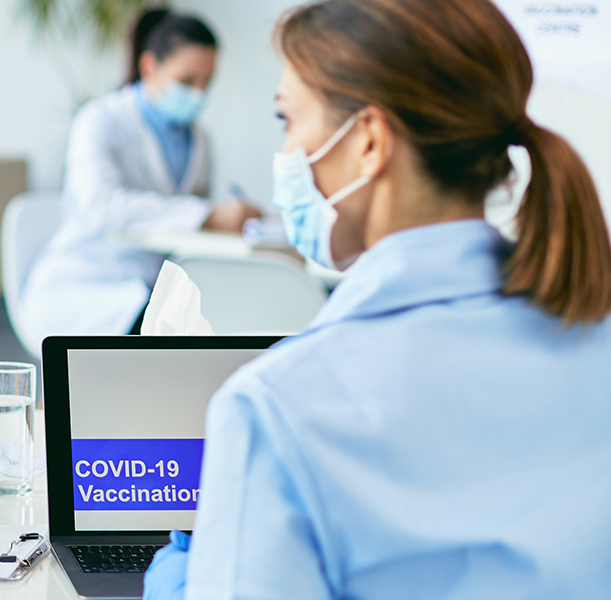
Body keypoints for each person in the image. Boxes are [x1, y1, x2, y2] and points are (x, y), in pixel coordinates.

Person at [142, 0, 611, 597]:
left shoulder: (279, 409)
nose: (285, 155)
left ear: (368, 141)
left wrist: (184, 556)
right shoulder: (594, 337)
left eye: (287, 120)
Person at [15, 9, 259, 354]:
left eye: (208, 82)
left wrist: (229, 220)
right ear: (150, 68)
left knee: (221, 321)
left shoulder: (200, 141)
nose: (199, 94)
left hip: (152, 286)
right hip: (88, 283)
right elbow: (102, 206)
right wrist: (205, 214)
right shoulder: (100, 121)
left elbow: (189, 225)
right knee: (168, 343)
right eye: (188, 81)